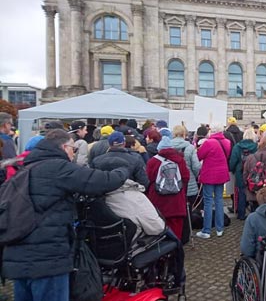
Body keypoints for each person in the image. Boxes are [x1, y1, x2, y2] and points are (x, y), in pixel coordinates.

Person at [2, 129, 130, 301]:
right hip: (48, 259)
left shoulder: (24, 168)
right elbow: (100, 181)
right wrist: (124, 170)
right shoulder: (58, 167)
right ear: (64, 147)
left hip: (18, 257)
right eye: (73, 149)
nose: (73, 153)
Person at [146, 137, 190, 240]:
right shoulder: (180, 160)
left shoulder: (152, 161)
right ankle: (176, 249)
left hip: (158, 200)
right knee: (176, 227)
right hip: (177, 201)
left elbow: (148, 179)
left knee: (160, 227)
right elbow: (185, 178)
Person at [196, 124, 231, 239]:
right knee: (219, 200)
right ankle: (219, 229)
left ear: (212, 131)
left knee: (208, 201)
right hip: (222, 173)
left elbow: (199, 156)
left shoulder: (208, 143)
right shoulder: (227, 142)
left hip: (209, 174)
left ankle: (206, 230)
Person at [229, 128, 258, 220]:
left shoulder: (237, 146)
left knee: (241, 193)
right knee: (254, 192)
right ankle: (255, 213)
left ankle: (241, 214)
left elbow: (233, 161)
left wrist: (232, 170)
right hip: (254, 173)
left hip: (240, 172)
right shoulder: (256, 146)